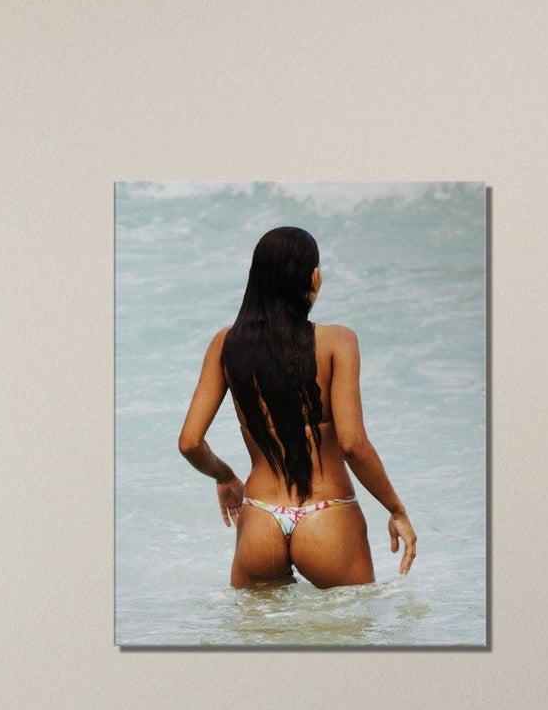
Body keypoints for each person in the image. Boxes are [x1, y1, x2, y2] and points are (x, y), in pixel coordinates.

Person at [177, 225, 417, 590]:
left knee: (261, 644)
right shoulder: (338, 342)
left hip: (260, 519)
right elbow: (352, 444)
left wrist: (224, 475)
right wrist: (396, 509)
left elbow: (190, 442)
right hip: (328, 516)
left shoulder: (225, 345)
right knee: (350, 641)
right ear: (314, 277)